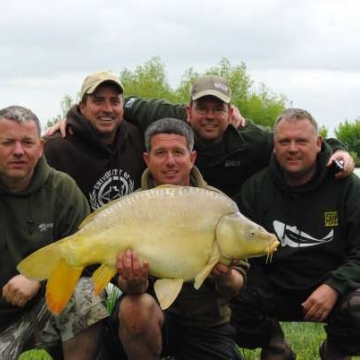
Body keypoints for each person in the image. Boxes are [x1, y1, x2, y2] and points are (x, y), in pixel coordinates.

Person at [46, 75, 354, 197]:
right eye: (202, 108)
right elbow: (113, 106)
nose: (209, 116)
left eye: (217, 109)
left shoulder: (251, 138)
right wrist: (74, 119)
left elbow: (297, 142)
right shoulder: (160, 114)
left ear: (230, 112)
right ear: (187, 111)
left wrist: (339, 151)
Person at [99, 118, 248, 360]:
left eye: (178, 152)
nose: (170, 161)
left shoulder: (219, 205)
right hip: (149, 315)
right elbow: (125, 287)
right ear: (147, 159)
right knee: (133, 306)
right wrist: (135, 282)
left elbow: (235, 285)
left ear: (192, 158)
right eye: (161, 153)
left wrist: (225, 276)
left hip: (205, 322)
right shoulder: (130, 208)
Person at [230, 108, 360, 360]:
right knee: (226, 298)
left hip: (331, 287)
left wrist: (334, 285)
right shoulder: (255, 189)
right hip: (274, 288)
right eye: (284, 141)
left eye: (301, 141)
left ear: (318, 143)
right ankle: (275, 345)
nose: (292, 148)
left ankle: (336, 349)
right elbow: (238, 250)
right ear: (274, 147)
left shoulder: (347, 186)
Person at [0, 106, 109, 359]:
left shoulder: (63, 190)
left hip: (45, 308)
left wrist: (37, 278)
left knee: (85, 295)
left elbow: (90, 259)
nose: (18, 151)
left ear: (40, 148)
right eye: (7, 143)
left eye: (27, 142)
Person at [44, 71, 146, 211]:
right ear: (82, 107)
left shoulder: (138, 136)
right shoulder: (55, 148)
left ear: (122, 107)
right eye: (98, 101)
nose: (108, 109)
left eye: (114, 101)